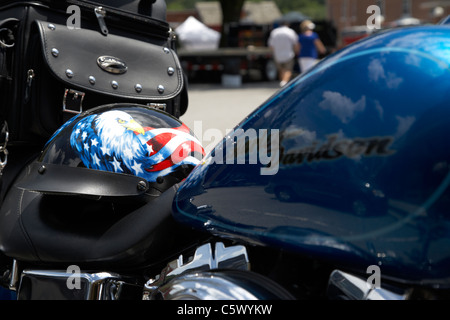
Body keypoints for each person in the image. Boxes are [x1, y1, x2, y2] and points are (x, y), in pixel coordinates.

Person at [268, 22, 300, 87]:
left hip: (278, 54)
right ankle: (284, 82)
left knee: (281, 70)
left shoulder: (274, 32)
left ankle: (282, 82)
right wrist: (297, 51)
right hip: (288, 54)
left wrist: (274, 52)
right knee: (288, 70)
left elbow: (271, 45)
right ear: (287, 24)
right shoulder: (290, 31)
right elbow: (295, 43)